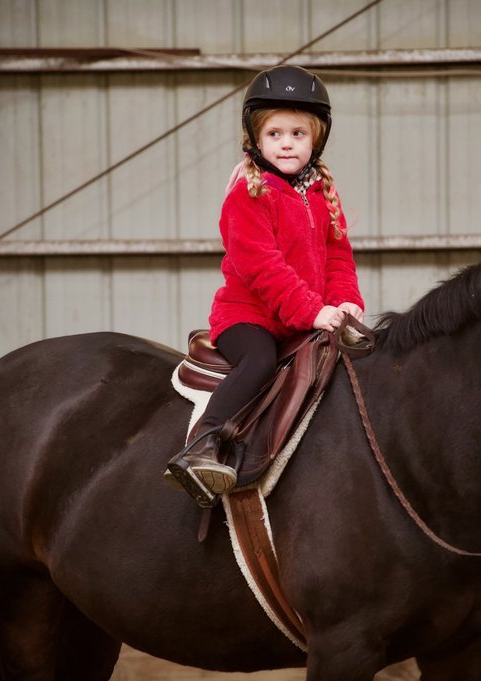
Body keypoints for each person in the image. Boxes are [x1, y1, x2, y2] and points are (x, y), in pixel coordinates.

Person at [164, 65, 365, 501]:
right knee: (257, 362)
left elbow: (337, 256)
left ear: (317, 140)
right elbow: (262, 268)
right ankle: (203, 446)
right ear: (256, 139)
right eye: (275, 134)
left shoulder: (320, 193)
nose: (287, 142)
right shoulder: (248, 195)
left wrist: (345, 300)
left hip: (305, 317)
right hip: (248, 318)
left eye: (298, 133)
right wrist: (313, 310)